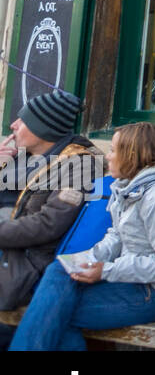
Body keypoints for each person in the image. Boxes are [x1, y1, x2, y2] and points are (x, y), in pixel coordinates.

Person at [10, 122, 155, 351]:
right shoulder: (128, 187)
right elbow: (115, 236)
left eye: (112, 150)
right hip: (127, 282)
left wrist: (107, 270)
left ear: (131, 155)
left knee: (52, 312)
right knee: (60, 271)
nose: (107, 157)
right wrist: (88, 260)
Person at [0, 90, 99, 347]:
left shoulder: (80, 164)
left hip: (31, 262)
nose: (13, 126)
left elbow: (49, 225)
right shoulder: (24, 157)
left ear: (41, 129)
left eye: (21, 121)